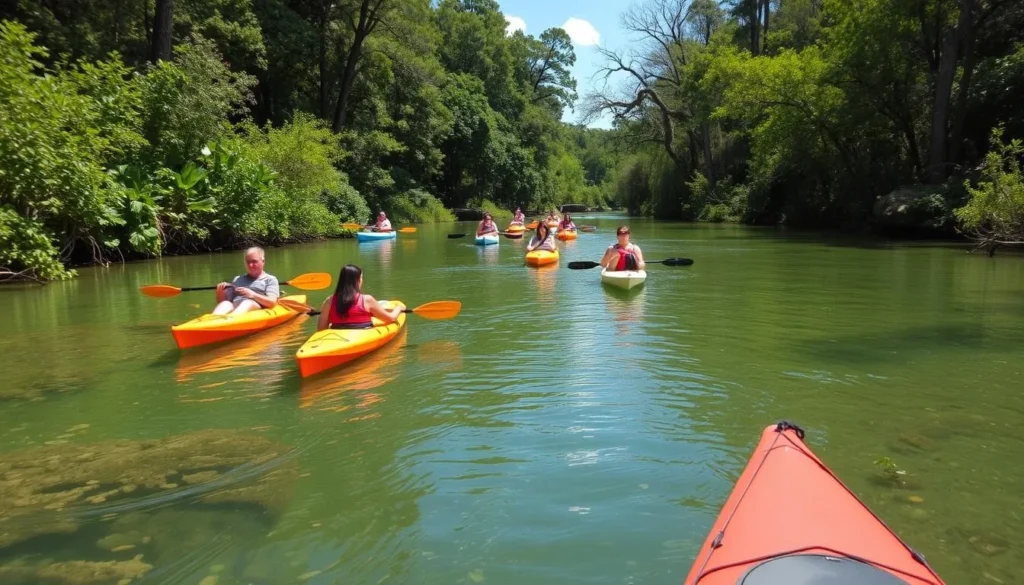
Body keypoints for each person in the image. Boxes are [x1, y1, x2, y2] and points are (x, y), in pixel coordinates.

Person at [317, 264, 405, 331]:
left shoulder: (329, 301)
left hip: (337, 336)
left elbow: (321, 329)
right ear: (357, 280)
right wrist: (398, 308)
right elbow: (391, 318)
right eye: (361, 277)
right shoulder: (367, 300)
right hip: (361, 334)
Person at [213, 247, 280, 315]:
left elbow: (272, 302)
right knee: (225, 304)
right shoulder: (237, 279)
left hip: (255, 307)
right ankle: (212, 320)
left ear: (263, 261)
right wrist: (220, 292)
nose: (251, 265)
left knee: (248, 303)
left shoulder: (270, 279)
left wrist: (253, 295)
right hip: (236, 306)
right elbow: (225, 301)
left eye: (254, 261)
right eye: (248, 262)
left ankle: (231, 319)